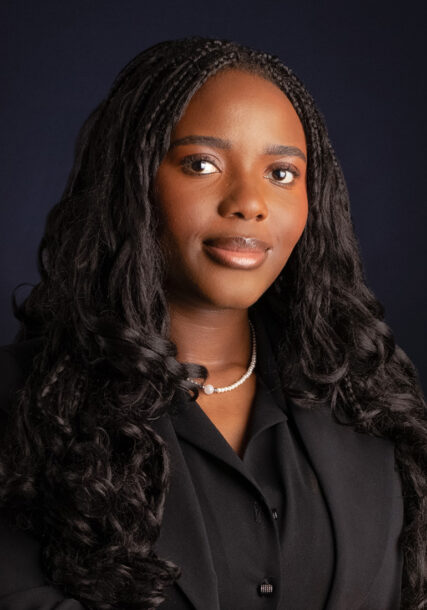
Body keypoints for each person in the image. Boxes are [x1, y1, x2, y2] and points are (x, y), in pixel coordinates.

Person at [0, 35, 425, 610]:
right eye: (201, 164)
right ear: (132, 182)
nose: (249, 202)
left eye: (282, 173)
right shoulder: (21, 409)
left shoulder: (370, 404)